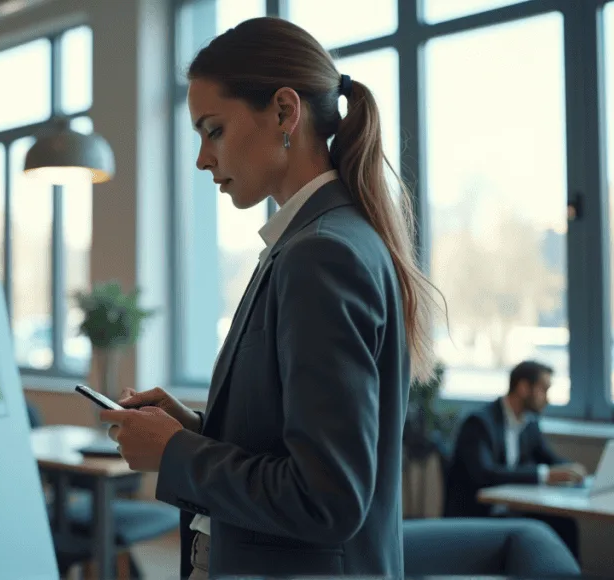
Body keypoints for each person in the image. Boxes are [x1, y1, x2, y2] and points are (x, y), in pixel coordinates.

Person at [97, 16, 441, 579]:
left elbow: (326, 498)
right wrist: (194, 429)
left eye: (213, 130)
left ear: (284, 112)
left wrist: (175, 455)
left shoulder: (321, 255)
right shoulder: (315, 243)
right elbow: (296, 441)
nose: (203, 159)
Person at [445, 360, 585, 560]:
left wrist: (571, 469)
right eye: (543, 390)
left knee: (565, 524)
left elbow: (548, 457)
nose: (547, 398)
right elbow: (484, 474)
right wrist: (545, 475)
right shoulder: (479, 423)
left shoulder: (529, 422)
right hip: (480, 515)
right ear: (523, 388)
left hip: (512, 510)